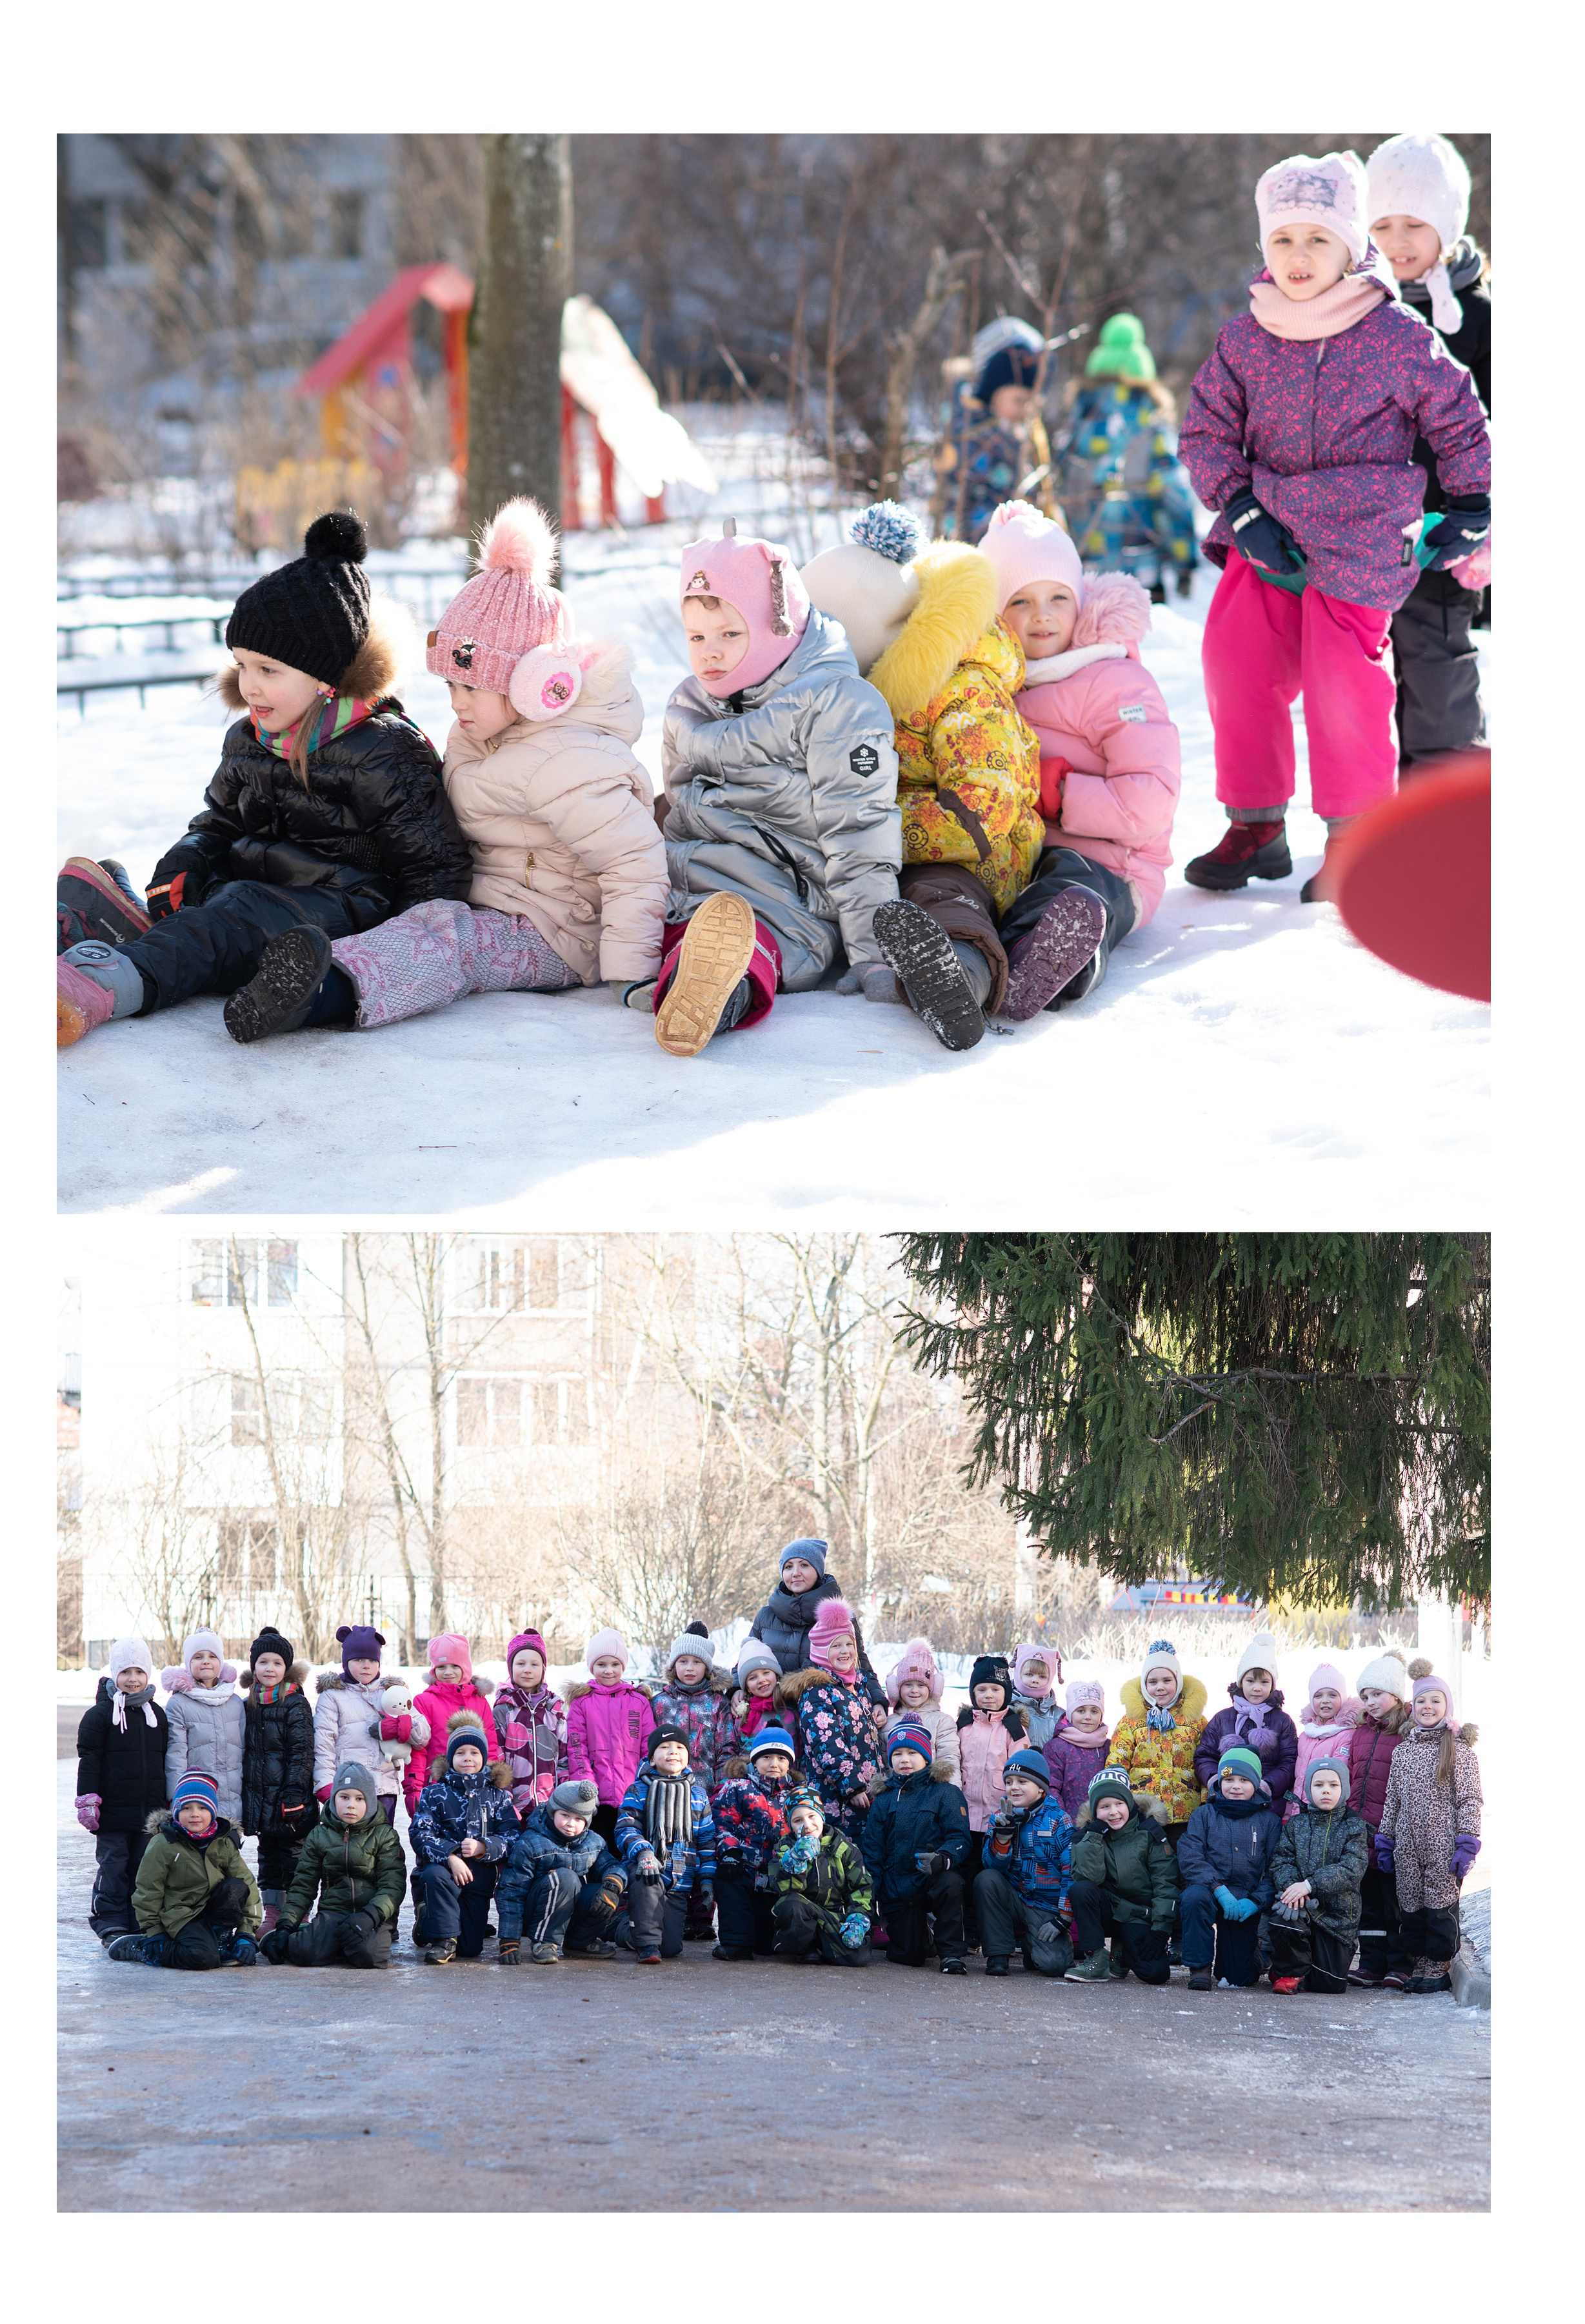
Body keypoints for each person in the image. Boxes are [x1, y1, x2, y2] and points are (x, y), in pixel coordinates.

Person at [1179, 148, 1490, 901]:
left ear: (1355, 248)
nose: (1298, 256)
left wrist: (1478, 503)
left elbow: (1459, 415)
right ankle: (1256, 823)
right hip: (1272, 528)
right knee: (1234, 657)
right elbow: (1206, 431)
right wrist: (1241, 507)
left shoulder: (1395, 334)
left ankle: (1356, 838)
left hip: (1363, 536)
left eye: (1319, 239)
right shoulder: (1246, 338)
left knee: (1341, 684)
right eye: (1283, 239)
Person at [237, 499, 670, 1037]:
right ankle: (280, 963)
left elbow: (634, 862)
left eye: (471, 686)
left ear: (534, 685)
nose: (456, 702)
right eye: (450, 686)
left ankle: (326, 991)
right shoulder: (476, 733)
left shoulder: (569, 759)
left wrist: (630, 972)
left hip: (559, 934)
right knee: (411, 914)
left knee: (451, 939)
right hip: (490, 905)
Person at [57, 511, 473, 1047]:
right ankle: (121, 926)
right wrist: (189, 856)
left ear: (327, 676)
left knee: (225, 920)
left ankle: (101, 984)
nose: (248, 685)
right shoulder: (249, 738)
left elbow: (436, 871)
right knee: (208, 908)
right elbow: (218, 822)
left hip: (336, 916)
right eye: (242, 664)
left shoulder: (384, 750)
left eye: (268, 670)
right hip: (247, 899)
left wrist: (388, 958)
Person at [645, 525, 901, 1056]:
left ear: (775, 630)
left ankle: (720, 993)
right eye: (696, 638)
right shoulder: (688, 704)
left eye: (729, 635)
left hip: (785, 896)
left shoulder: (838, 704)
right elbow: (680, 812)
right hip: (688, 877)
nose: (709, 654)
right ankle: (680, 972)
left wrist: (871, 952)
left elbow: (859, 832)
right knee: (651, 921)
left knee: (747, 943)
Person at [801, 501, 1042, 1050]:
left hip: (966, 861)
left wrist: (870, 821)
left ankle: (959, 976)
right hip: (858, 851)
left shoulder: (960, 689)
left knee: (935, 899)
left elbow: (983, 812)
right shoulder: (834, 696)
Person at [982, 501, 1181, 1018]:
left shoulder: (1115, 681)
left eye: (1056, 597)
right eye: (1020, 602)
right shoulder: (987, 685)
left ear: (1080, 600)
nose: (1042, 615)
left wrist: (1061, 793)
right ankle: (964, 961)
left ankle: (1063, 961)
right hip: (1014, 863)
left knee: (1070, 886)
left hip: (1111, 866)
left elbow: (1150, 802)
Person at [1365, 134, 1490, 771]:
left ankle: (1442, 795)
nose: (1396, 241)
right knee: (1371, 667)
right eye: (1381, 225)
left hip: (1447, 529)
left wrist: (1487, 517)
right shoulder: (1358, 313)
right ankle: (1374, 802)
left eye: (1414, 223)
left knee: (1437, 661)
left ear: (1448, 224)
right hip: (1365, 532)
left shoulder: (1478, 318)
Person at [1058, 315, 1199, 599]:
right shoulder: (1149, 420)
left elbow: (1060, 489)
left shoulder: (1077, 420)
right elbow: (1174, 493)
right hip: (1142, 571)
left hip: (1084, 572)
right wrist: (1185, 563)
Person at [1377, 1666, 1482, 1994]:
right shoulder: (1403, 1750)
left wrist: (1467, 1842)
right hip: (1407, 1845)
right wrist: (1386, 1840)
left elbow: (1469, 1799)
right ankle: (1421, 1960)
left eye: (1435, 1701)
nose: (1428, 1707)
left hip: (1442, 1845)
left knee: (1439, 1906)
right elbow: (1393, 1798)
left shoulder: (1458, 1749)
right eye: (1421, 1701)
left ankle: (1439, 1963)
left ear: (1446, 1706)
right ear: (1413, 1706)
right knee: (1410, 1905)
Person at [108, 1770, 262, 1970]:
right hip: (181, 1916)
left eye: (203, 1807)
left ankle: (220, 1938)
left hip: (211, 1910)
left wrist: (246, 1934)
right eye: (187, 1807)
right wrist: (154, 1932)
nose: (195, 1814)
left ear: (213, 1812)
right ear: (177, 1812)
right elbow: (148, 1891)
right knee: (203, 1959)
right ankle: (146, 1948)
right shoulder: (163, 1844)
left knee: (236, 1886)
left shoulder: (224, 1841)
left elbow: (248, 1884)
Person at [264, 1760, 406, 1969]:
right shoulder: (319, 1835)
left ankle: (338, 1946)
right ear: (333, 1799)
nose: (351, 1805)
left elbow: (393, 1886)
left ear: (371, 1803)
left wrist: (370, 1916)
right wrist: (285, 1926)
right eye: (344, 1797)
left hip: (372, 1916)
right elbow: (303, 1885)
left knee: (370, 1956)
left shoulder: (385, 1836)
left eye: (359, 1799)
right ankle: (307, 1937)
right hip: (333, 1913)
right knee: (306, 1954)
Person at [75, 1637, 170, 1946]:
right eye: (126, 1672)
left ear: (149, 1674)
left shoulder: (157, 1714)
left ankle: (137, 1922)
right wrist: (88, 1801)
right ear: (114, 1674)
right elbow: (89, 1760)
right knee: (113, 1867)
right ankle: (110, 1923)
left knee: (144, 1870)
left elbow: (165, 1761)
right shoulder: (100, 1715)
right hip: (114, 1814)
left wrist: (169, 1802)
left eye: (139, 1672)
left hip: (149, 1814)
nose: (133, 1679)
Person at [860, 1725, 972, 1972]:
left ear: (926, 1757)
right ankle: (924, 1938)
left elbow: (960, 1837)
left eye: (912, 1752)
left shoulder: (946, 1792)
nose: (905, 1760)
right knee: (908, 1956)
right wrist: (870, 1895)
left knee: (950, 1883)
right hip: (898, 1885)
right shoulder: (884, 1799)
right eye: (898, 1754)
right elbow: (873, 1850)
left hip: (932, 1875)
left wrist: (943, 1859)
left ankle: (951, 1954)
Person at [778, 1598, 891, 1840]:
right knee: (844, 1858)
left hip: (869, 1792)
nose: (845, 1652)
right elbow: (827, 1746)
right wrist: (852, 1785)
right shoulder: (817, 1691)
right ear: (821, 1651)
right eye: (836, 1646)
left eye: (848, 1644)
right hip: (839, 1797)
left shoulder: (856, 1685)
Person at [410, 1722, 521, 1964]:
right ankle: (444, 1942)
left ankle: (428, 1921)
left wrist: (484, 1847)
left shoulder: (498, 1796)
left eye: (474, 1753)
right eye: (460, 1753)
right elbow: (420, 1833)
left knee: (470, 1949)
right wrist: (450, 1856)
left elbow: (512, 1836)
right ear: (451, 1758)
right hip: (444, 1872)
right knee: (435, 1875)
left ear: (484, 1757)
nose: (467, 1758)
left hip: (478, 1878)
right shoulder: (435, 1793)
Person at [1175, 1744, 1284, 1991]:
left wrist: (1256, 1901)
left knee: (1238, 1978)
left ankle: (1250, 1954)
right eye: (1229, 1779)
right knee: (1193, 1898)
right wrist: (1218, 1889)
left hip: (1246, 1900)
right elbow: (1191, 1856)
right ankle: (1200, 1968)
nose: (1235, 1786)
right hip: (1211, 1892)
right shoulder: (1203, 1815)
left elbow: (1277, 1866)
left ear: (1256, 1784)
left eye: (1244, 1780)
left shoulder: (1270, 1821)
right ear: (1219, 1781)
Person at [935, 323, 1050, 545]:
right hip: (972, 544)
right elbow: (960, 497)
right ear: (994, 395)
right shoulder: (974, 435)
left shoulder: (1013, 434)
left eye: (1030, 402)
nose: (1025, 410)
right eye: (1018, 401)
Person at [1062, 1767, 1179, 1986]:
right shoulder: (1085, 1836)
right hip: (1106, 1910)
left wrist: (1160, 1930)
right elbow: (1089, 1878)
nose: (1113, 1812)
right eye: (1105, 1807)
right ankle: (1096, 1958)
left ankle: (1121, 1953)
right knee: (1080, 1889)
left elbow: (1166, 1883)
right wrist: (1094, 1838)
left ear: (1129, 1804)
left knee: (1156, 1973)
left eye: (1119, 1804)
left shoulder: (1149, 1832)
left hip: (1137, 1915)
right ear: (1095, 1810)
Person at [613, 1725, 717, 1965]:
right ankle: (646, 1945)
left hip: (681, 1879)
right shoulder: (638, 1790)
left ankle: (623, 1930)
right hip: (648, 1870)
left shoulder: (698, 1795)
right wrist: (644, 1852)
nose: (673, 1752)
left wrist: (707, 1881)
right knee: (651, 1937)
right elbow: (625, 1828)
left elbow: (706, 1843)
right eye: (665, 1747)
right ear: (651, 1757)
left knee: (670, 1948)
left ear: (688, 1757)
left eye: (680, 1747)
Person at [495, 1777, 626, 1965]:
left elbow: (613, 1866)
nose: (571, 1824)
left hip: (567, 1910)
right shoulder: (531, 1843)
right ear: (552, 1811)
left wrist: (613, 1885)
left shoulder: (593, 1842)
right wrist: (509, 1940)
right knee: (566, 1877)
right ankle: (544, 1943)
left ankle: (580, 1942)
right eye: (565, 1815)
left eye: (579, 1818)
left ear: (588, 1822)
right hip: (534, 1913)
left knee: (609, 1891)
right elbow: (511, 1892)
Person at [1266, 1758, 1370, 1994]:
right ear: (1308, 1789)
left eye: (1333, 1785)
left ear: (1344, 1788)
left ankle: (1300, 1967)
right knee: (1284, 1918)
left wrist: (1310, 1885)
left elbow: (1351, 1869)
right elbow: (1281, 1860)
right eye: (1319, 1785)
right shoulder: (1296, 1824)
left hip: (1336, 1917)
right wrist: (1294, 1889)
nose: (1326, 1790)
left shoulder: (1354, 1827)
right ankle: (1289, 1970)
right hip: (1301, 1908)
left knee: (1330, 1985)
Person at [239, 1627, 317, 1935]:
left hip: (290, 1799)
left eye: (276, 1663)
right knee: (268, 1857)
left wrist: (295, 1794)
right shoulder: (249, 1705)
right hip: (261, 1800)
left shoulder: (295, 1703)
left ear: (286, 1669)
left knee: (296, 1858)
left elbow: (302, 1752)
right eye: (263, 1662)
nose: (269, 1669)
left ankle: (298, 1912)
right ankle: (272, 1911)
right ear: (253, 1668)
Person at [1346, 1648, 1416, 1987]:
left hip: (1392, 1833)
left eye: (1377, 1694)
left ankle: (1400, 1964)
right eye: (1365, 1696)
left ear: (1397, 1695)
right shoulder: (1360, 1733)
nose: (1370, 1701)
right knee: (1369, 1902)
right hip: (1361, 1831)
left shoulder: (1407, 1732)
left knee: (1396, 1903)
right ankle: (1371, 1963)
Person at [975, 1747, 1075, 1978]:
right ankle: (998, 1956)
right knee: (986, 1880)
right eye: (1009, 1782)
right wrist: (1002, 1839)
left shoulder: (1060, 1820)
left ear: (1041, 1787)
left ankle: (1033, 1946)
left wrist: (1064, 1918)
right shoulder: (999, 1818)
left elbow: (1072, 1871)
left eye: (1022, 1781)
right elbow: (992, 1868)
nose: (1014, 1787)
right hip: (1015, 1899)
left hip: (1046, 1907)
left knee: (1054, 1967)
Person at [710, 1725, 802, 1961]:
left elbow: (808, 1828)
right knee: (729, 1881)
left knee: (765, 1945)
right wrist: (730, 1851)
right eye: (767, 1757)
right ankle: (736, 1943)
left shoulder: (798, 1794)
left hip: (779, 1872)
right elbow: (723, 1823)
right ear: (754, 1760)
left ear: (789, 1763)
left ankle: (772, 1939)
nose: (774, 1764)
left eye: (782, 1758)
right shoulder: (738, 1787)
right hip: (744, 1865)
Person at [955, 1654, 1028, 1946]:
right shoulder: (962, 1724)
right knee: (967, 1874)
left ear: (1006, 1693)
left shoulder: (1013, 1728)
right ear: (973, 1693)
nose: (988, 1696)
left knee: (993, 1876)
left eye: (995, 1690)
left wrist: (1014, 1813)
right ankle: (970, 1931)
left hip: (997, 1821)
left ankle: (995, 1933)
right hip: (965, 1816)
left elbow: (1022, 1771)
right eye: (981, 1690)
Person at [1106, 1639, 1209, 1841]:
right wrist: (1116, 1804)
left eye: (1166, 1681)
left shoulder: (1195, 1720)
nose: (1160, 1687)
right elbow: (1117, 1764)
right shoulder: (1131, 1721)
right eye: (1153, 1682)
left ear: (1178, 1682)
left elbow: (1205, 1761)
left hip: (1186, 1815)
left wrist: (1206, 1803)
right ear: (1144, 1684)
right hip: (1143, 1813)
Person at [564, 1627, 655, 1843]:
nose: (609, 1671)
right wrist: (586, 1784)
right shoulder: (582, 1702)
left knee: (631, 1847)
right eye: (601, 1665)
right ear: (592, 1666)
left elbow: (648, 1747)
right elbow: (577, 1747)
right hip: (597, 1797)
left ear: (623, 1666)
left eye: (615, 1664)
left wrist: (646, 1784)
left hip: (633, 1796)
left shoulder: (639, 1701)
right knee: (599, 1850)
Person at [1194, 1632, 1300, 1811]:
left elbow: (1289, 1762)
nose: (1257, 1688)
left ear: (1272, 1685)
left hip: (1268, 1803)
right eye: (1251, 1681)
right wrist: (1218, 1780)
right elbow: (1204, 1756)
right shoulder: (1222, 1719)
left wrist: (1267, 1786)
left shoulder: (1283, 1722)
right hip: (1226, 1801)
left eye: (1264, 1682)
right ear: (1241, 1682)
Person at [769, 1788, 875, 1965]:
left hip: (830, 1916)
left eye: (812, 1816)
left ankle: (823, 1946)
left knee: (859, 1956)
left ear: (822, 1816)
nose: (808, 1825)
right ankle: (805, 1948)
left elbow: (862, 1889)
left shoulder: (845, 1849)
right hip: (801, 1911)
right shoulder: (786, 1849)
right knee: (792, 1904)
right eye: (798, 1820)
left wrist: (856, 1919)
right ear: (791, 1825)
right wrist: (796, 1860)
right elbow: (783, 1887)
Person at [312, 1624, 401, 1835]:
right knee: (348, 1851)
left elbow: (421, 1732)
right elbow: (323, 1744)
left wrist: (402, 1726)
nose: (366, 1666)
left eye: (372, 1660)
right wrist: (326, 1784)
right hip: (348, 1791)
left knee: (383, 1849)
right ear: (346, 1662)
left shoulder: (391, 1693)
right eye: (359, 1660)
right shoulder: (332, 1697)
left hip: (383, 1789)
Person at [404, 1632, 499, 1814]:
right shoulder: (424, 1701)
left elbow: (491, 1745)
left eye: (455, 1666)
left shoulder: (479, 1702)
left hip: (475, 1786)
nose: (448, 1672)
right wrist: (414, 1789)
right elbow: (418, 1749)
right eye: (442, 1667)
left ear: (465, 1667)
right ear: (434, 1669)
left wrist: (491, 1782)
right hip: (436, 1785)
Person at [160, 1628, 244, 1830]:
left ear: (221, 1662)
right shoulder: (179, 1703)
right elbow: (176, 1754)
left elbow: (243, 1751)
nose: (206, 1661)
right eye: (198, 1657)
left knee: (227, 1856)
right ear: (189, 1663)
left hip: (232, 1801)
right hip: (195, 1804)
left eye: (212, 1656)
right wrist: (176, 1799)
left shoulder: (234, 1702)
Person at [492, 1627, 568, 1818]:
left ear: (543, 1669)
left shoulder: (554, 1710)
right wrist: (505, 1800)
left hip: (550, 1806)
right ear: (511, 1668)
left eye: (535, 1664)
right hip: (513, 1805)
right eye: (521, 1663)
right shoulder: (503, 1710)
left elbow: (565, 1759)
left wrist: (563, 1799)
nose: (527, 1669)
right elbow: (496, 1758)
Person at [748, 1539, 853, 1675]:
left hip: (826, 1696)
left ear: (818, 1571)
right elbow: (747, 1661)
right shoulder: (766, 1616)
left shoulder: (840, 1615)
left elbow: (860, 1666)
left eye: (804, 1565)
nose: (795, 1573)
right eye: (788, 1567)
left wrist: (878, 1696)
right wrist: (737, 1688)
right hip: (775, 1696)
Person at [1286, 1662, 1362, 1822]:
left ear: (1342, 1697)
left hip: (1325, 1815)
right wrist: (1290, 1814)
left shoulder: (1346, 1734)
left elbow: (1337, 1777)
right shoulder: (1307, 1734)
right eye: (1318, 1696)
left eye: (1332, 1695)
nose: (1325, 1701)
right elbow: (1298, 1780)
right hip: (1298, 1812)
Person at [881, 1636, 960, 1781]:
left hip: (931, 1798)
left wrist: (951, 1798)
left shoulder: (942, 1722)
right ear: (896, 1688)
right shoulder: (887, 1724)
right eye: (908, 1685)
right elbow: (883, 1768)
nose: (915, 1691)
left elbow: (950, 1761)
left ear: (934, 1688)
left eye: (921, 1685)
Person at [1043, 1678, 1113, 1822]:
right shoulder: (1056, 1747)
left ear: (1101, 1716)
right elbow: (1051, 1787)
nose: (1088, 1717)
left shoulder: (1109, 1747)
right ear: (1070, 1714)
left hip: (1106, 1823)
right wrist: (1063, 1819)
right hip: (1069, 1824)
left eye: (1094, 1711)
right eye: (1081, 1711)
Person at [721, 1641, 785, 1760]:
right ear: (747, 1687)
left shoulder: (790, 1705)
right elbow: (731, 1749)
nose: (761, 1680)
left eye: (766, 1672)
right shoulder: (740, 1713)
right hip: (749, 1775)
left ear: (776, 1674)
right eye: (753, 1678)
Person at [1008, 1643, 1064, 1750]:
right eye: (1029, 1674)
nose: (1035, 1680)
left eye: (1042, 1677)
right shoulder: (1007, 1711)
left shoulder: (1059, 1716)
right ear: (1018, 1673)